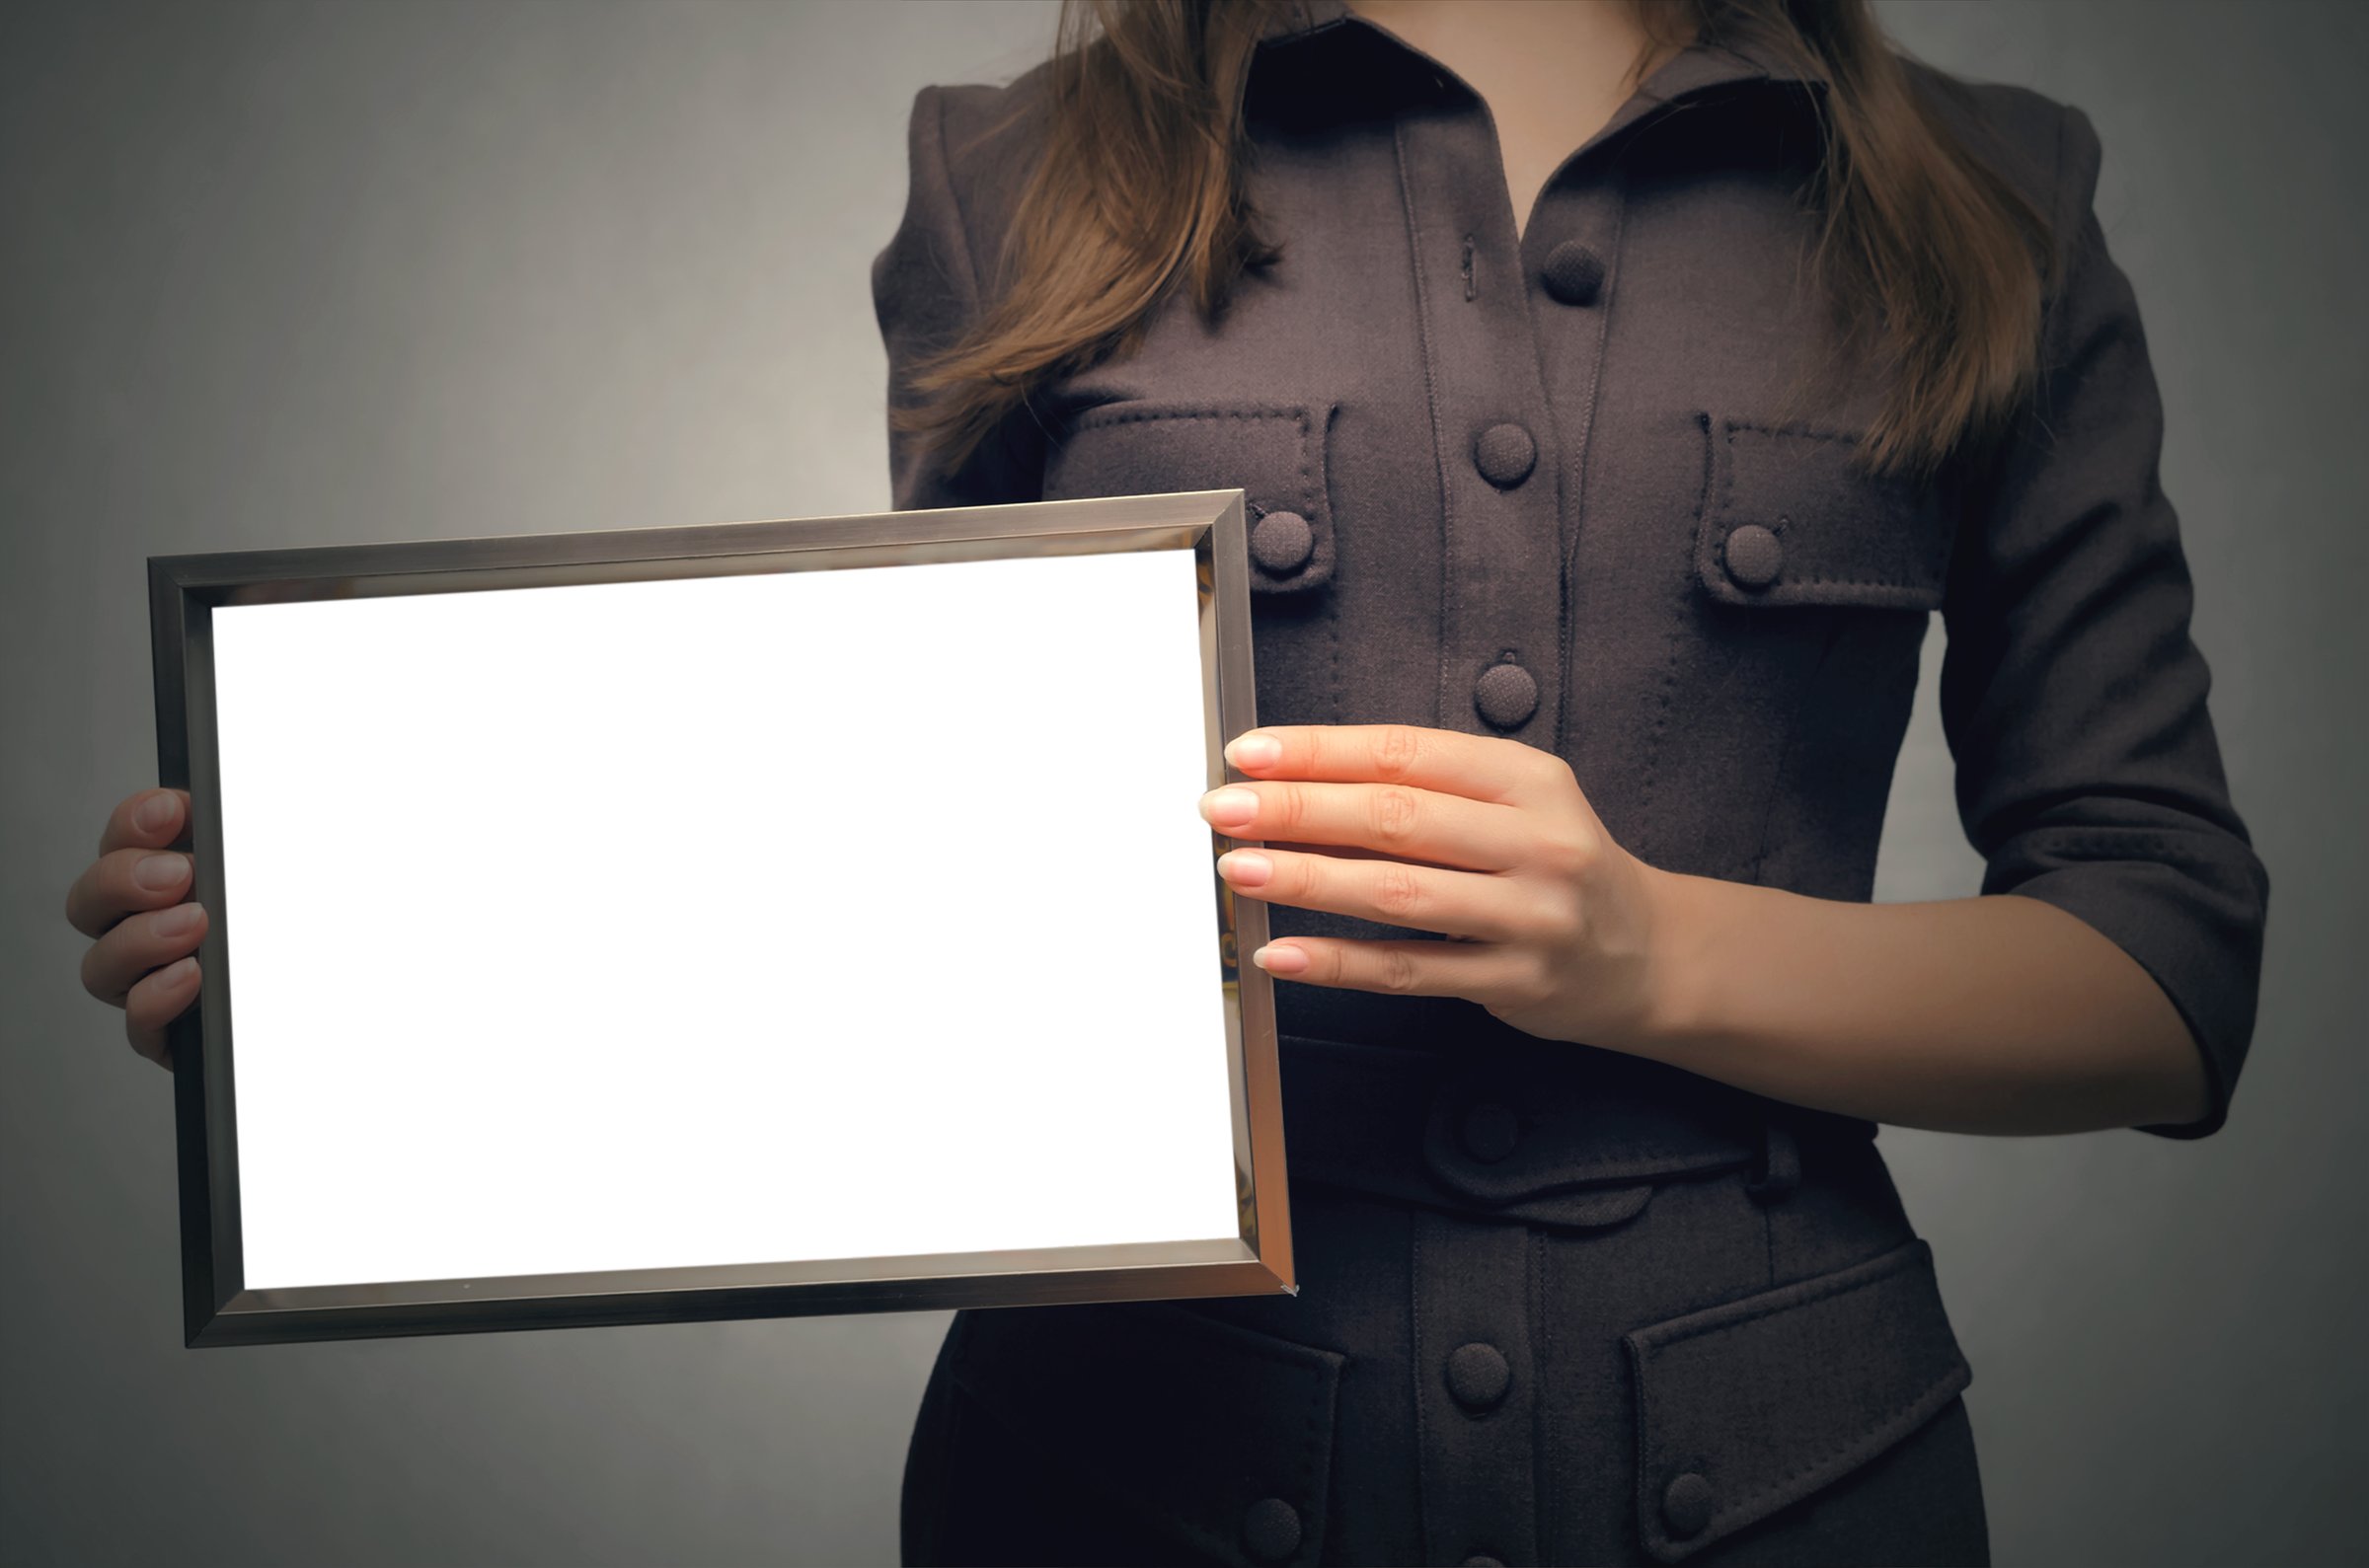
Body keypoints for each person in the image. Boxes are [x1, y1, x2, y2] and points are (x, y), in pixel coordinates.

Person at [66, 1, 2268, 1563]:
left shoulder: (1994, 202)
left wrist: (1652, 952)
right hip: (1129, 1488)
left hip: (1797, 1485)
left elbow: (2164, 963)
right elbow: (894, 899)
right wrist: (358, 958)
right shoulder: (1019, 177)